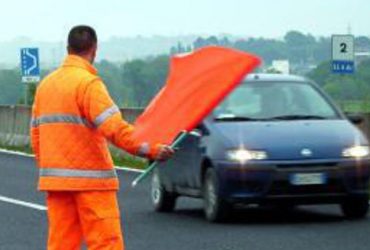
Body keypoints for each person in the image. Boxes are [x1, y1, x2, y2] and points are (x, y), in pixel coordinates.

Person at [30, 25, 174, 250]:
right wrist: (152, 149)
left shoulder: (45, 86)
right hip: (92, 183)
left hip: (56, 183)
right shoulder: (88, 84)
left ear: (68, 49)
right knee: (105, 243)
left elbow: (36, 135)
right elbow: (115, 129)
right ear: (94, 50)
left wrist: (50, 168)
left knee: (61, 244)